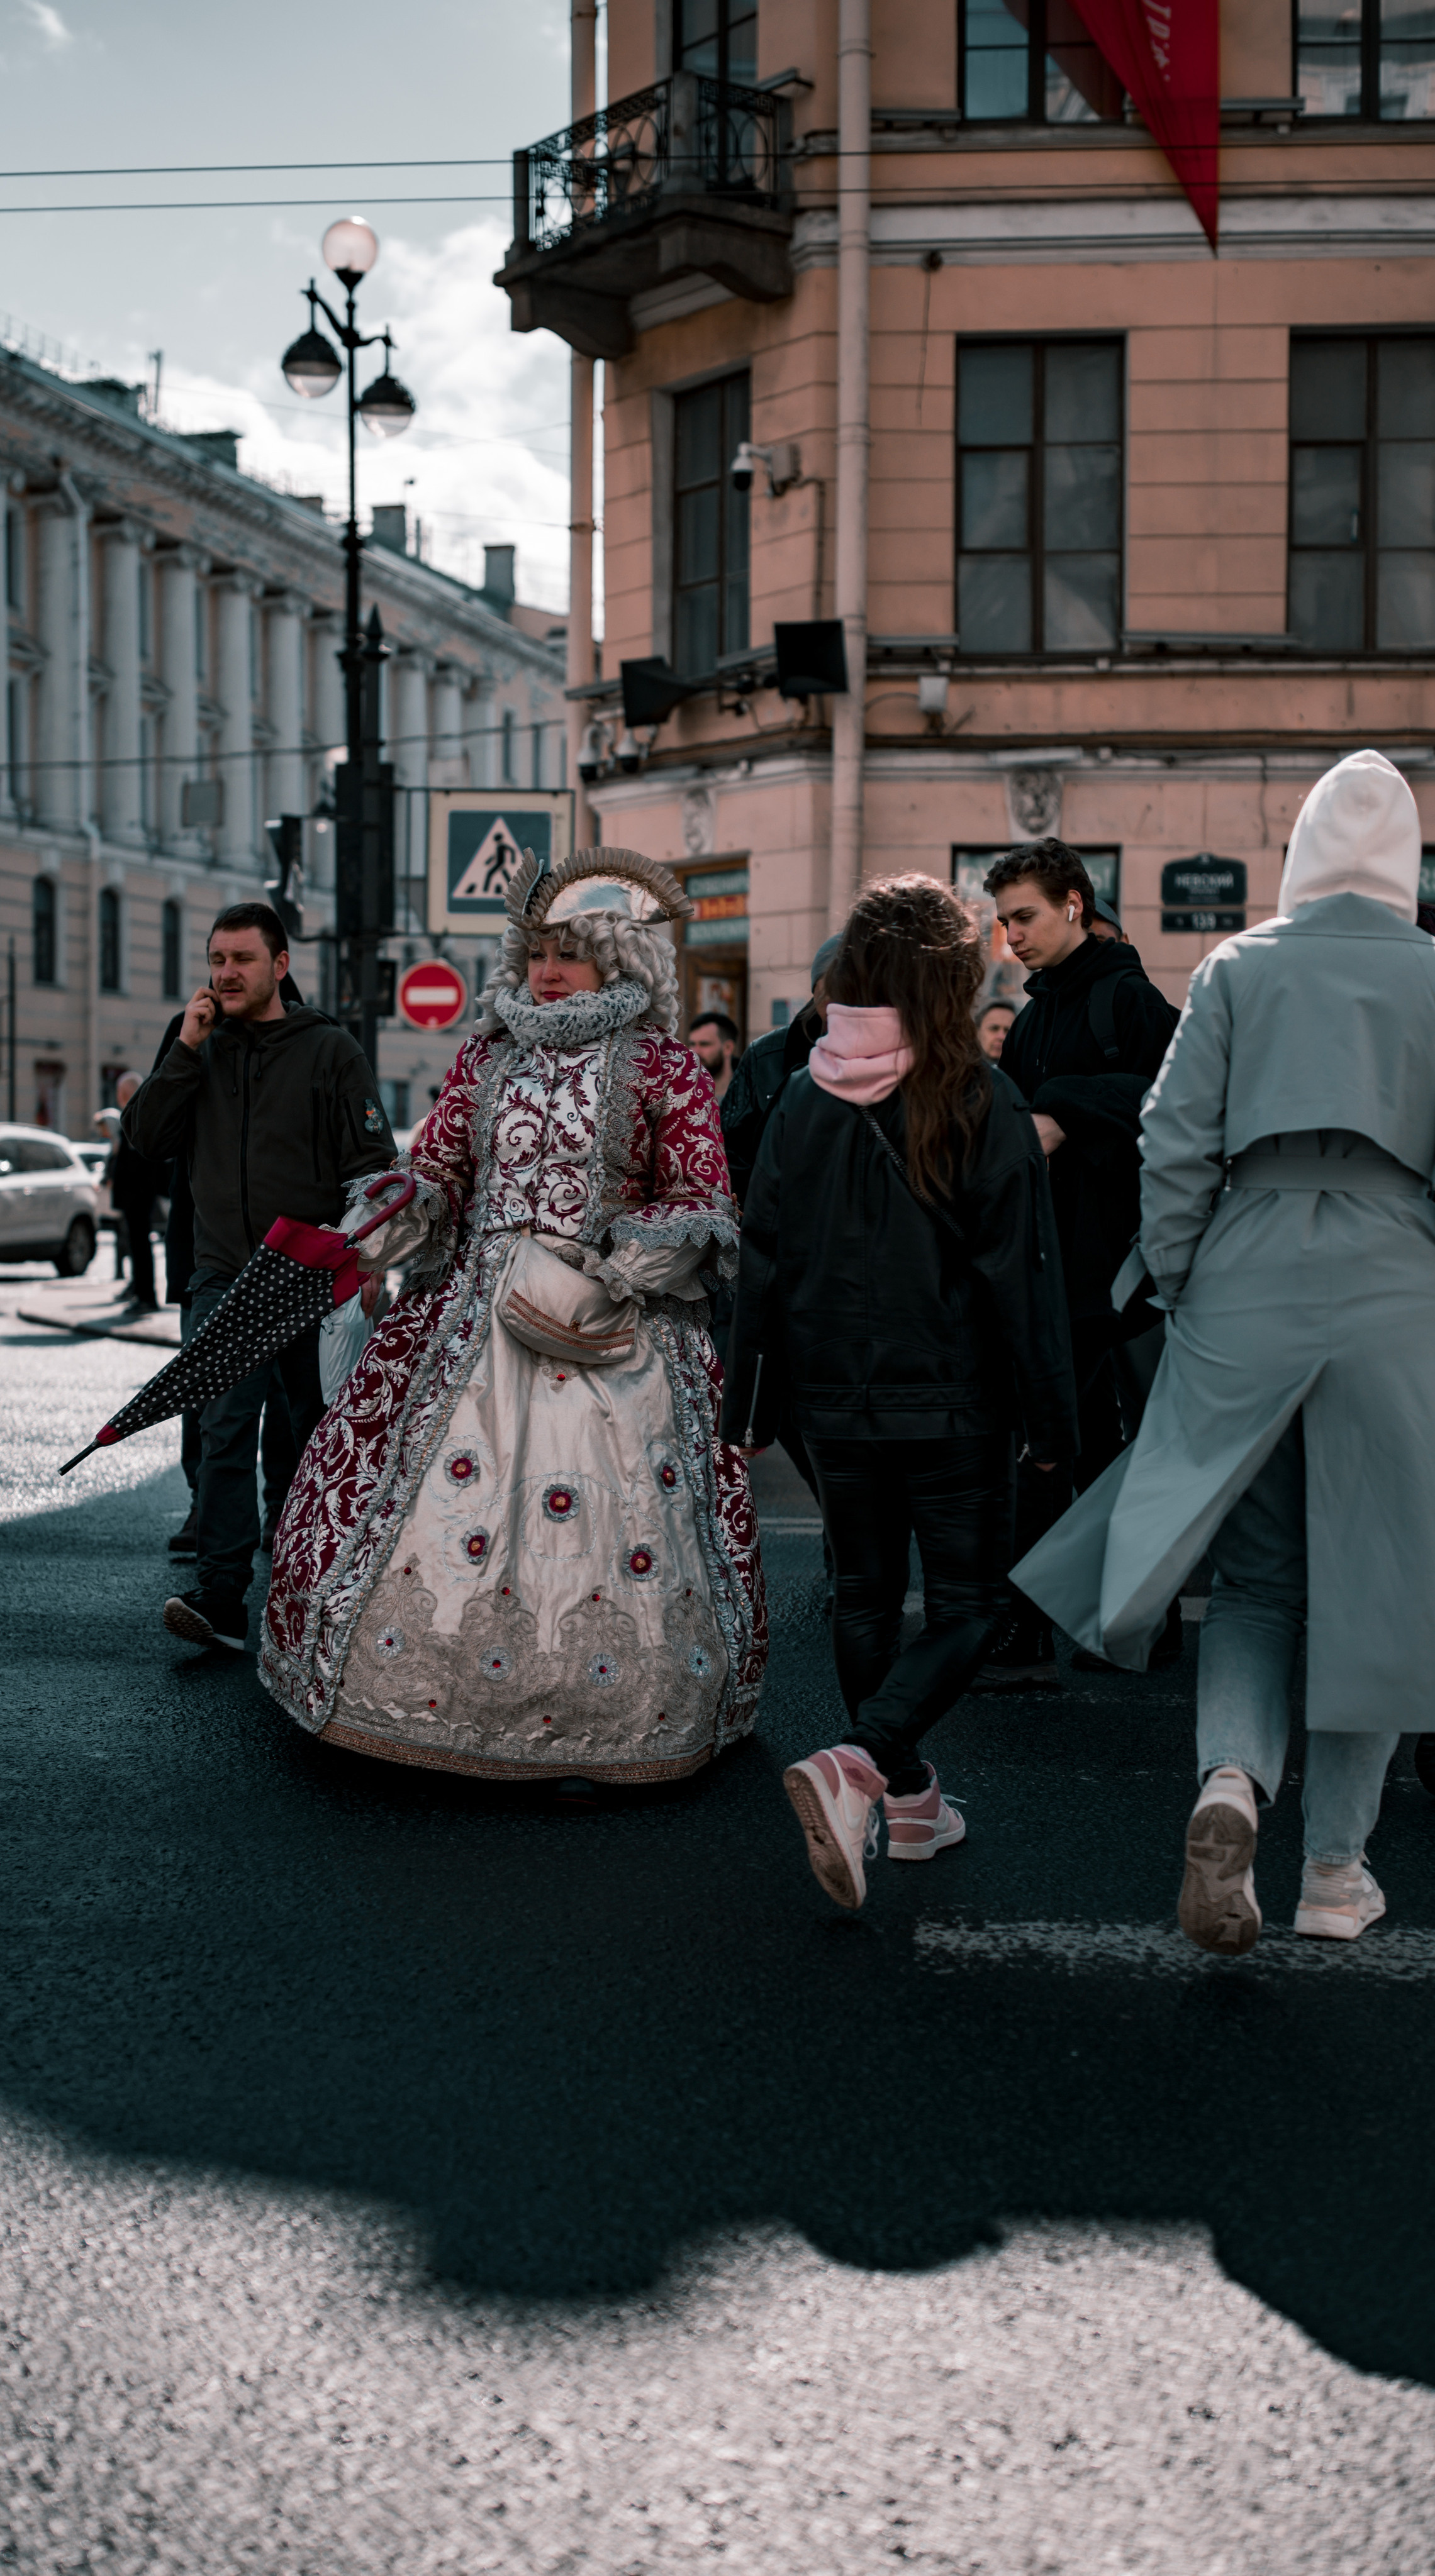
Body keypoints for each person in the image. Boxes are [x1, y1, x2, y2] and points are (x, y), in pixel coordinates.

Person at [1015, 750, 1435, 1950]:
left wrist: (1189, 1278)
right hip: (1394, 1276)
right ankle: (1336, 1875)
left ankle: (1229, 1785)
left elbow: (1171, 1139)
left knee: (1253, 1579)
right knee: (1380, 1587)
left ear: (1302, 853)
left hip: (1246, 1271)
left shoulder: (1238, 966)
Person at [259, 845, 766, 1788]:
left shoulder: (660, 1061)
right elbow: (442, 1169)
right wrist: (398, 1207)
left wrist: (630, 1250)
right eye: (537, 950)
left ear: (614, 954)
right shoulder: (486, 1054)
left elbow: (701, 1190)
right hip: (473, 1318)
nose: (546, 970)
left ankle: (605, 1717)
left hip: (609, 1322)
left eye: (568, 951)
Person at [723, 875, 1076, 1912]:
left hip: (828, 1401)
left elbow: (763, 1259)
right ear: (951, 981)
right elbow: (1026, 1274)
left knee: (868, 1594)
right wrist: (1053, 1423)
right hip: (956, 1400)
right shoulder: (978, 1094)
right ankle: (863, 1759)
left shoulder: (801, 1095)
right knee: (971, 1606)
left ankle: (910, 1801)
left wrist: (745, 1406)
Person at [122, 902, 396, 1652]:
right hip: (222, 1275)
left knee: (311, 1432)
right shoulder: (195, 1045)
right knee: (223, 1428)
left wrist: (369, 1261)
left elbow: (373, 1165)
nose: (225, 973)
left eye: (242, 958)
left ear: (280, 964)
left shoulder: (330, 1049)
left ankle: (311, 1585)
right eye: (216, 959)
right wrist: (184, 1048)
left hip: (309, 1274)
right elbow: (145, 1138)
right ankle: (220, 1597)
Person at [978, 838, 1180, 1689]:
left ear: (1073, 904)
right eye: (1001, 921)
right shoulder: (1031, 1017)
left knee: (1116, 1454)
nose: (1010, 937)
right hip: (1047, 1269)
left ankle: (1134, 1617)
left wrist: (1065, 1110)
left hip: (1126, 1276)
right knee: (1053, 1447)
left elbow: (1180, 1098)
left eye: (1023, 916)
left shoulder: (1128, 1000)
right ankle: (1030, 1627)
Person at [720, 936, 841, 1209]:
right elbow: (728, 1149)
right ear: (816, 988)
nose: (839, 1001)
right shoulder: (767, 1055)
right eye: (831, 987)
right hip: (777, 1226)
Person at [108, 1073, 166, 1313]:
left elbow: (137, 1162)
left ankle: (145, 1296)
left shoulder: (138, 1117)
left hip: (138, 1196)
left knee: (140, 1246)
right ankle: (140, 1290)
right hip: (138, 1195)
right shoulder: (138, 1115)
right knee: (137, 1245)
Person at [688, 1010, 741, 1102]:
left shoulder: (751, 1093)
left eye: (704, 1044)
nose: (695, 1052)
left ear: (728, 1048)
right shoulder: (681, 1093)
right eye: (693, 1044)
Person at [974, 998, 1016, 1062]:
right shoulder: (959, 1069)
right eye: (994, 1029)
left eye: (1008, 1031)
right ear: (977, 1031)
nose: (1002, 1037)